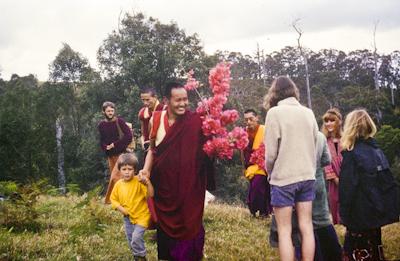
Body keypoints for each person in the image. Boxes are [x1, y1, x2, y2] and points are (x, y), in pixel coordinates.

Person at [139, 82, 214, 261]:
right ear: (166, 100)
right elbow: (153, 149)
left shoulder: (195, 121)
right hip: (164, 188)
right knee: (165, 227)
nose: (183, 104)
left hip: (189, 185)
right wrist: (146, 170)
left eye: (185, 99)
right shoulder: (155, 119)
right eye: (178, 100)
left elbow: (208, 149)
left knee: (189, 225)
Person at [264, 76, 318, 261]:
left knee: (284, 231)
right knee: (306, 225)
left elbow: (270, 154)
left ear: (275, 93)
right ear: (294, 91)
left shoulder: (274, 113)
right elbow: (316, 142)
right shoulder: (308, 113)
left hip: (284, 178)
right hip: (307, 176)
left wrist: (270, 172)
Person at [339, 109, 399, 261]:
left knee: (358, 252)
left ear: (350, 127)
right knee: (374, 249)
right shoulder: (377, 150)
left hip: (358, 214)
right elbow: (387, 183)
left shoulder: (351, 154)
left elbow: (347, 189)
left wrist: (344, 214)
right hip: (375, 211)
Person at [110, 153, 154, 261]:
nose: (127, 172)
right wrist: (120, 208)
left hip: (142, 216)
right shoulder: (118, 185)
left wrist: (147, 183)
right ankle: (136, 256)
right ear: (119, 170)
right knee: (131, 239)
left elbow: (151, 195)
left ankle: (141, 256)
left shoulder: (138, 182)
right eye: (124, 169)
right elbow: (113, 199)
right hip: (128, 218)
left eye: (130, 169)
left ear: (134, 170)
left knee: (136, 238)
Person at [312, 131, 342, 261]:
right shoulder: (319, 136)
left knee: (306, 224)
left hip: (297, 182)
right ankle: (336, 255)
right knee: (323, 220)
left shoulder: (291, 135)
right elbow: (326, 159)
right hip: (317, 179)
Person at [98, 101, 132, 204]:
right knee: (118, 178)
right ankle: (119, 200)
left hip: (121, 154)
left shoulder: (119, 121)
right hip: (110, 155)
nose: (110, 113)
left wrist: (115, 144)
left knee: (116, 177)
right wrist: (105, 147)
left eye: (112, 111)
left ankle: (110, 200)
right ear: (104, 112)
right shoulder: (101, 125)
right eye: (108, 111)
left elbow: (128, 136)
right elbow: (101, 140)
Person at [241, 109, 272, 217]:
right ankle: (256, 210)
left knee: (260, 188)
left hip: (263, 165)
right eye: (246, 120)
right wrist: (244, 167)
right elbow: (242, 151)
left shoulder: (264, 130)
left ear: (257, 118)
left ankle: (264, 212)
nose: (248, 122)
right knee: (256, 188)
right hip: (250, 166)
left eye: (251, 119)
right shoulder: (243, 133)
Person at [321, 108, 343, 224]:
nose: (328, 123)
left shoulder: (345, 139)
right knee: (334, 200)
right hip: (333, 179)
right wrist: (334, 178)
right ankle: (337, 223)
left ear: (338, 121)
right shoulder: (324, 140)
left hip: (347, 176)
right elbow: (325, 162)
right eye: (326, 121)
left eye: (332, 120)